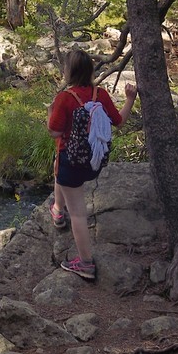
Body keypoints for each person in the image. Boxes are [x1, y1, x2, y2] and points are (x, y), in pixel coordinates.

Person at [47, 48, 135, 280]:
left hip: (71, 163)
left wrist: (50, 113)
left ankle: (85, 263)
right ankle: (57, 210)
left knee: (77, 213)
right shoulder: (100, 94)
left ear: (69, 72)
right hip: (92, 163)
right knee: (59, 169)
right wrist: (129, 99)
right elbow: (119, 122)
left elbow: (54, 132)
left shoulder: (65, 98)